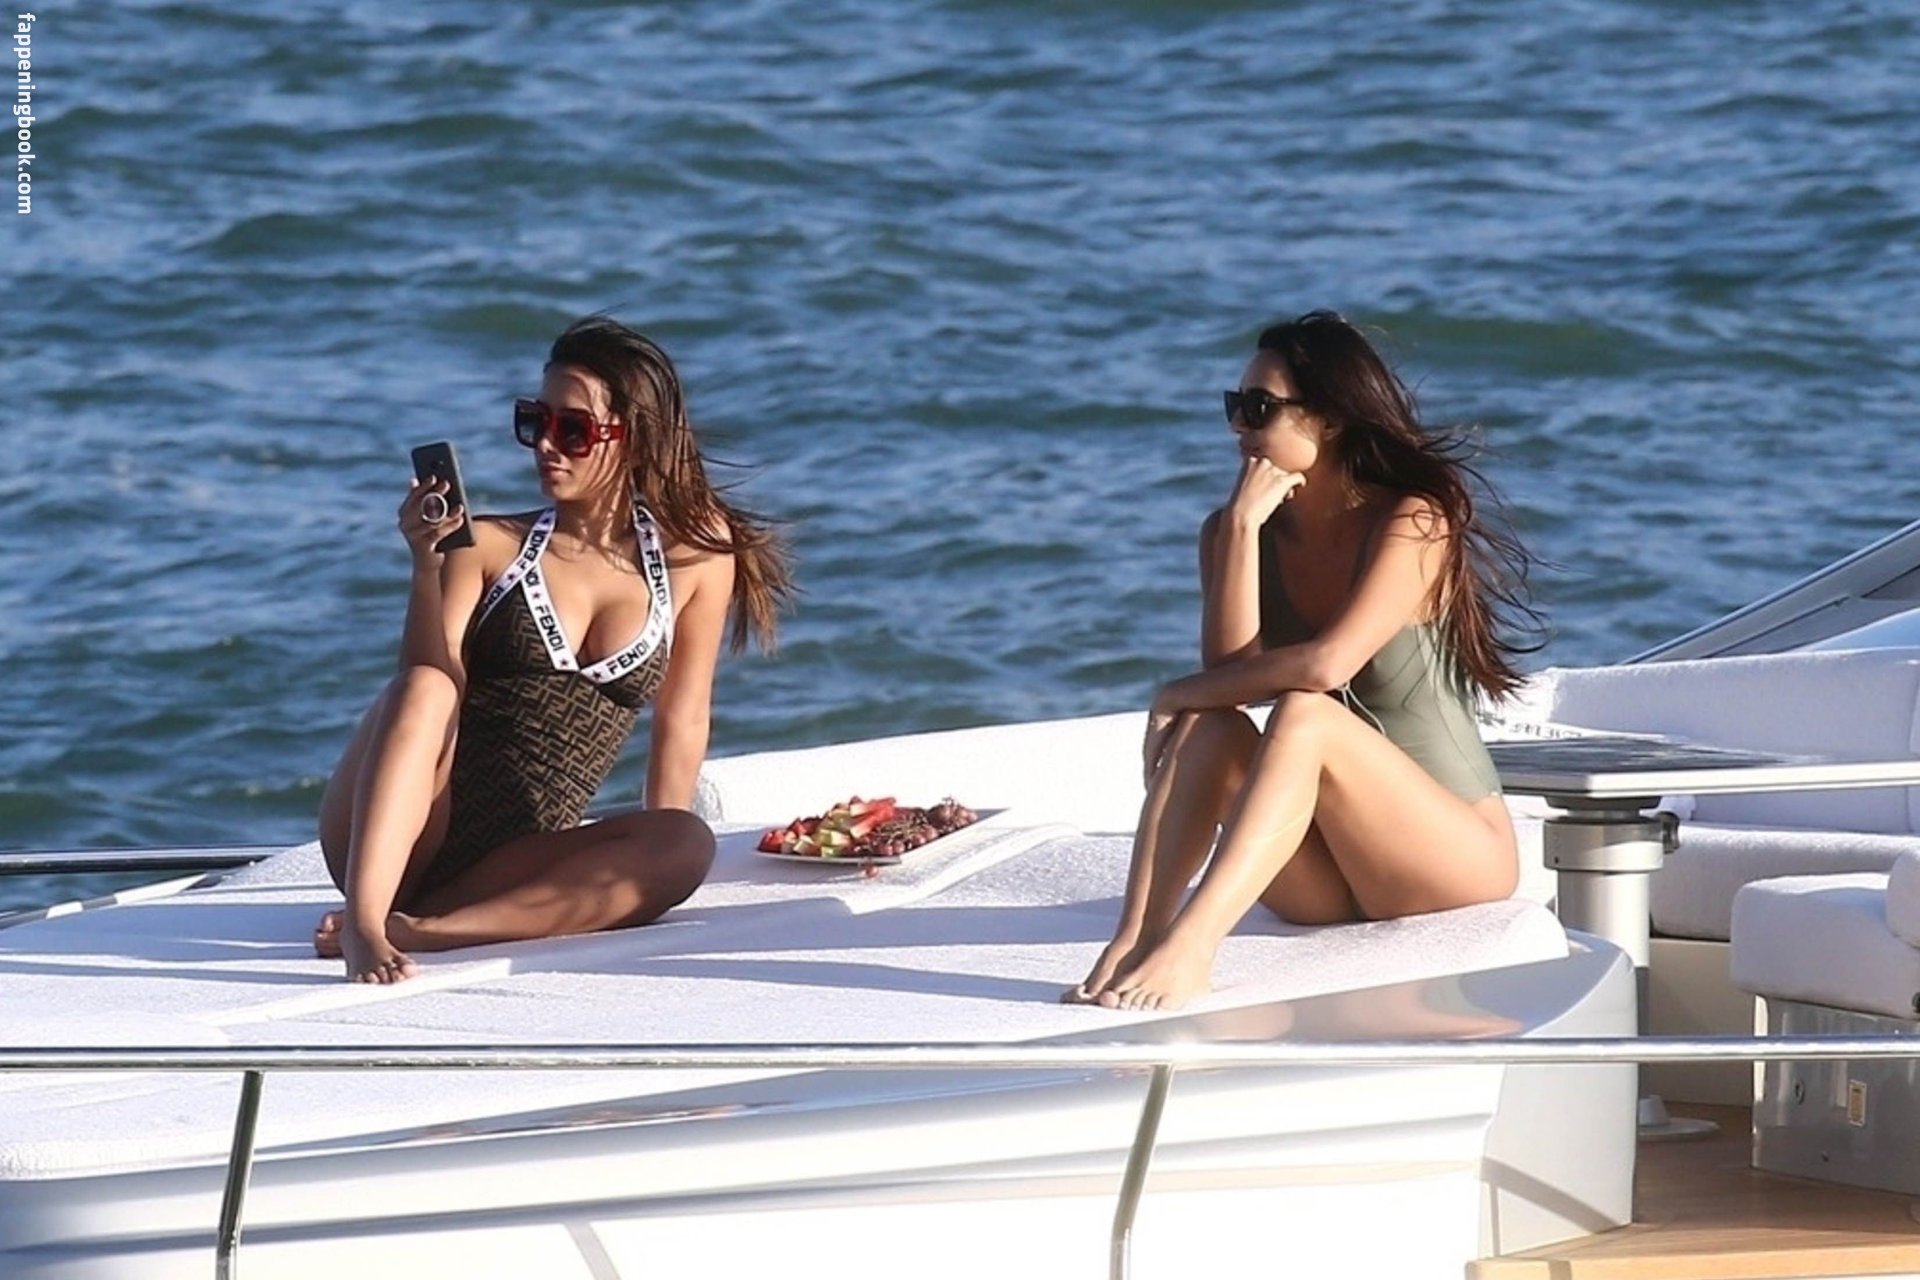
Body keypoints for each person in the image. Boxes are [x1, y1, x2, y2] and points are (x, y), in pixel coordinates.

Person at [1068, 311, 1538, 1011]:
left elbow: (1326, 668)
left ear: (1331, 418)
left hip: (1449, 860)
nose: (1239, 425)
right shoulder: (1235, 531)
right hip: (1323, 872)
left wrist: (1173, 691)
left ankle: (1193, 948)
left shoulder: (1414, 519)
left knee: (1304, 714)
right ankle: (1137, 940)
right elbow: (1226, 685)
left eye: (1260, 408)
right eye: (1233, 405)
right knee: (1210, 725)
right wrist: (1238, 531)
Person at [315, 316, 791, 983]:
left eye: (574, 429)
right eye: (535, 421)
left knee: (684, 840)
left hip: (515, 855)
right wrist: (426, 568)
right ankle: (365, 925)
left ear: (633, 437)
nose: (546, 444)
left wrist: (648, 864)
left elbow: (683, 719)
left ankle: (427, 929)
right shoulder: (487, 547)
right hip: (409, 824)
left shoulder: (695, 556)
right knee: (426, 686)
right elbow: (424, 691)